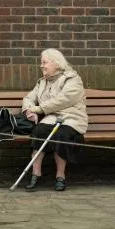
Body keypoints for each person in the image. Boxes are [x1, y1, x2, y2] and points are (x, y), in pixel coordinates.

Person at [21, 48, 88, 192]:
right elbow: (29, 98)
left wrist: (38, 109)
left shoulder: (72, 79)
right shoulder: (42, 82)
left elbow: (63, 100)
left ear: (56, 63)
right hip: (51, 118)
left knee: (61, 136)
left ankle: (60, 176)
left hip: (72, 118)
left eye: (44, 62)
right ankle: (36, 174)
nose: (41, 66)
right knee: (38, 131)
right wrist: (28, 110)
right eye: (41, 63)